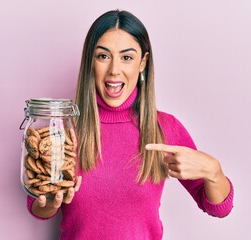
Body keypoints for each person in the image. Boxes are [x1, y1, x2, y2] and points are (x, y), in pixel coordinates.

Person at [26, 9, 234, 239]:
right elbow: (38, 207)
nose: (114, 70)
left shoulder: (164, 127)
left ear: (143, 62)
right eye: (103, 56)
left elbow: (219, 208)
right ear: (90, 61)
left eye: (127, 57)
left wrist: (214, 171)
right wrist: (50, 203)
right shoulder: (64, 129)